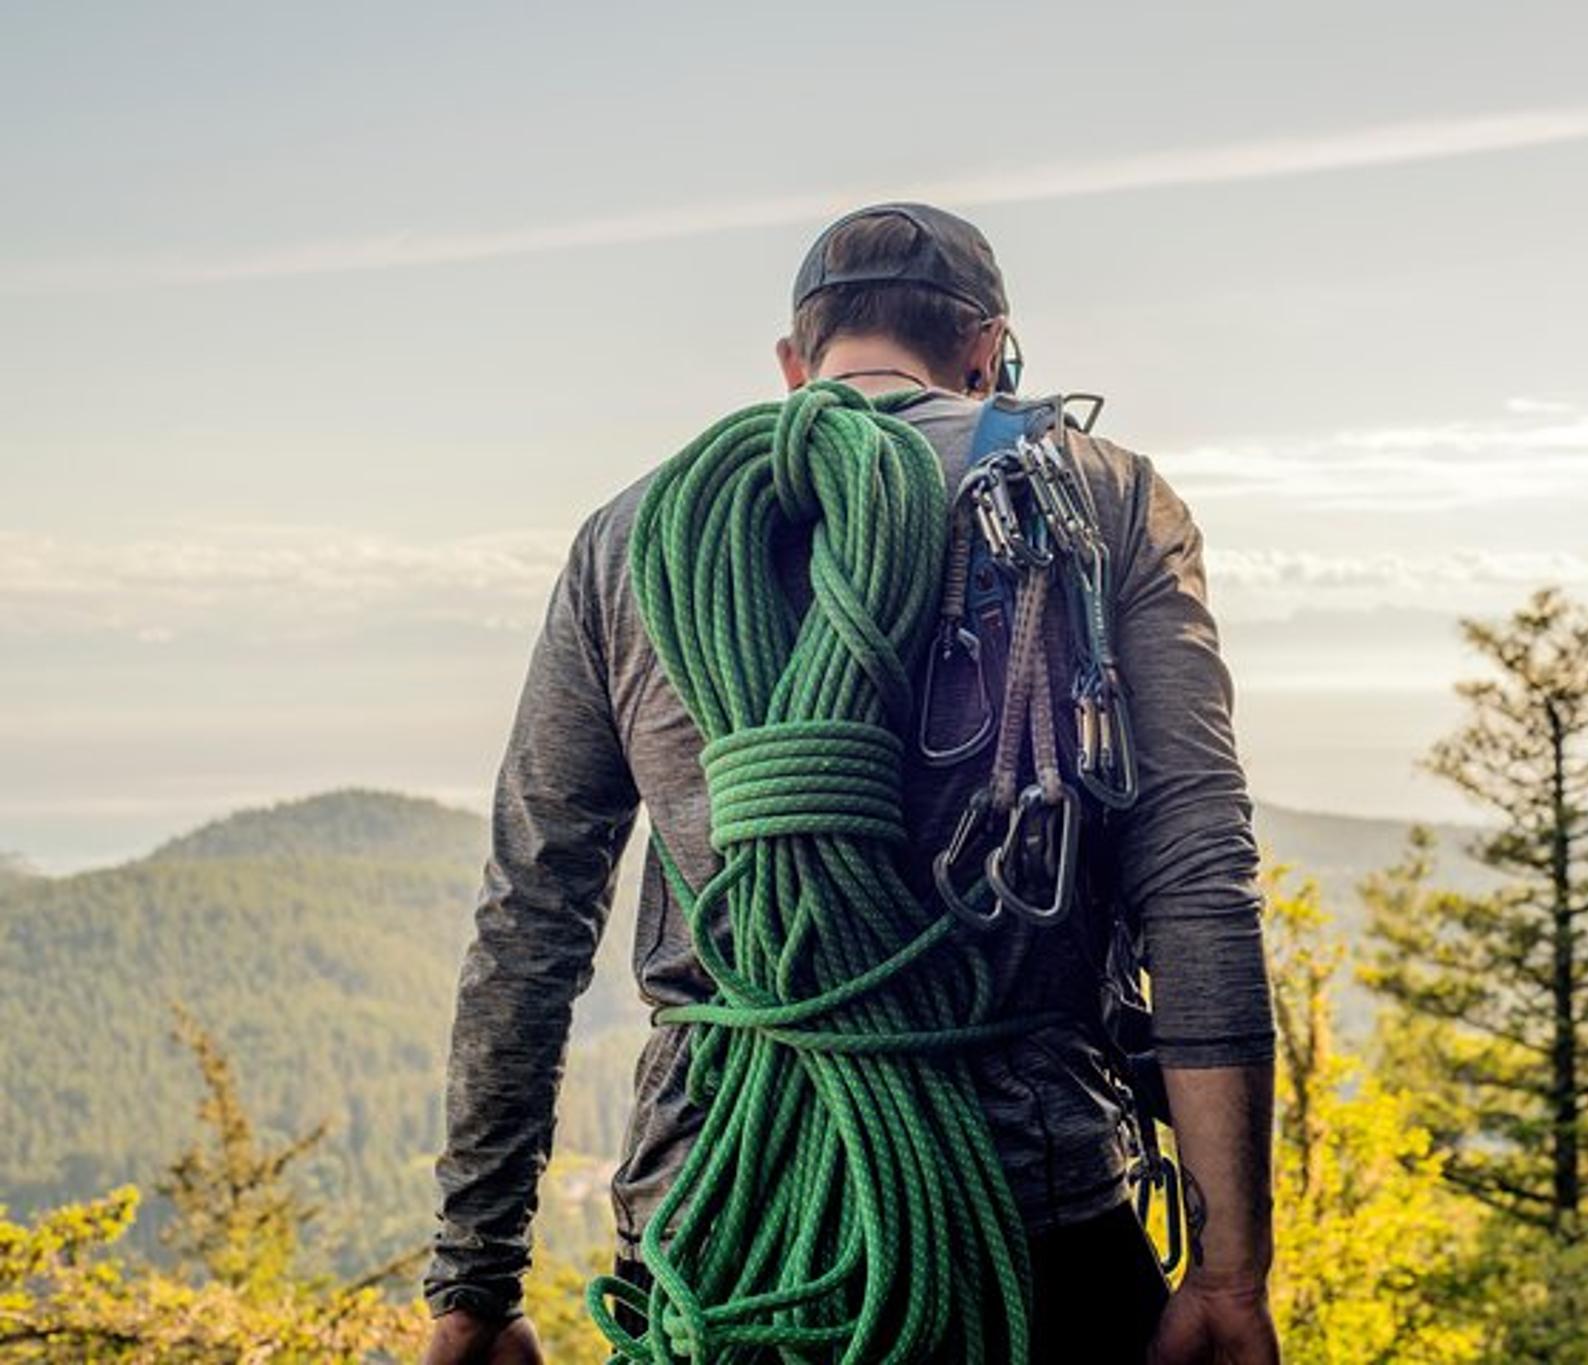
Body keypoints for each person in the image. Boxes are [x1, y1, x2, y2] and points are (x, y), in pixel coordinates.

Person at [420, 203, 1277, 1365]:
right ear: (989, 351)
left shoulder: (633, 540)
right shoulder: (1103, 501)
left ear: (794, 365)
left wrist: (473, 1283)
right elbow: (1198, 881)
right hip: (1025, 1222)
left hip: (720, 1224)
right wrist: (1229, 1271)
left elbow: (531, 911)